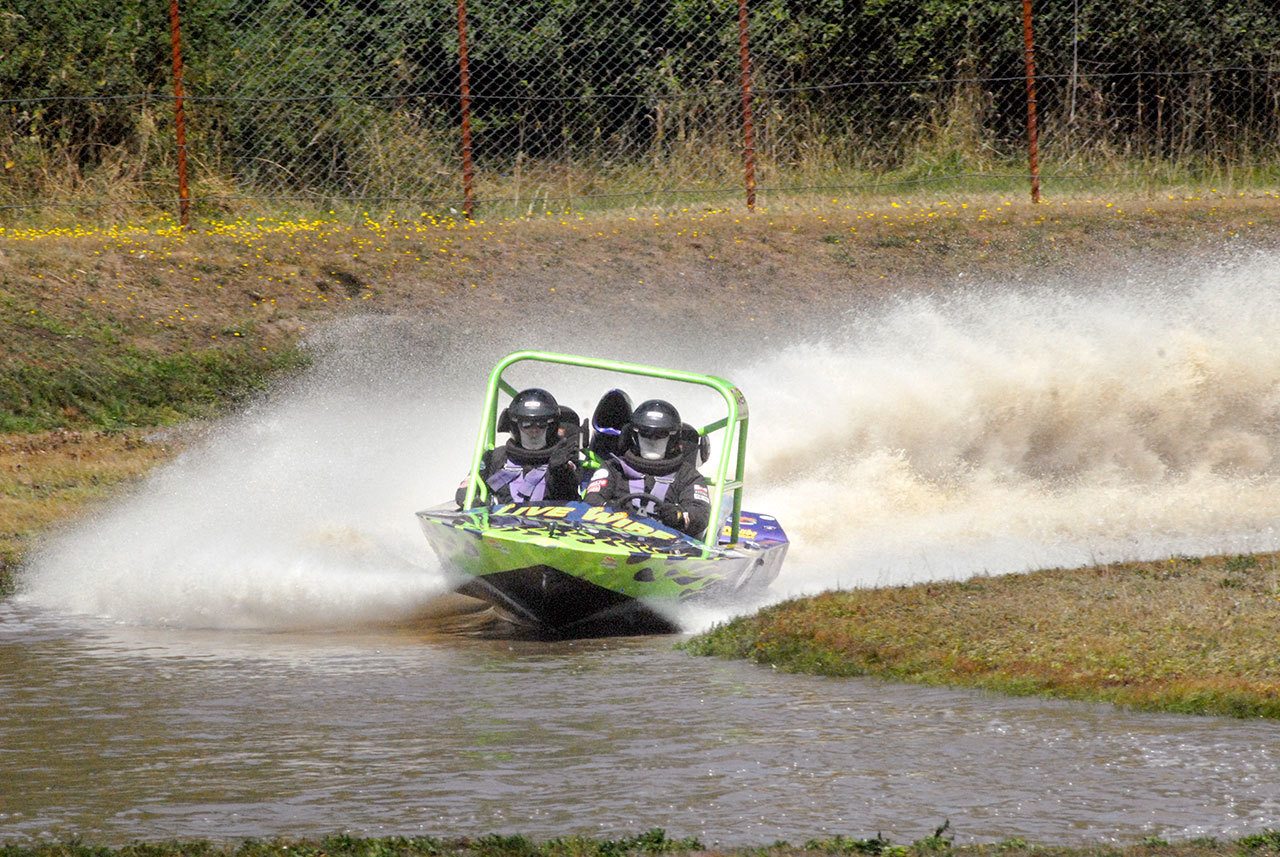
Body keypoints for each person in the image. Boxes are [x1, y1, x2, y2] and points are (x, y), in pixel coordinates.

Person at [582, 398, 711, 536]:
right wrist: (610, 510)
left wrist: (678, 516)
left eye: (660, 435)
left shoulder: (687, 475)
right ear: (634, 436)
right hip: (615, 538)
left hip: (668, 546)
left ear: (673, 438)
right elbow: (592, 500)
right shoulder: (614, 467)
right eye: (645, 433)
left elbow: (700, 513)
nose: (652, 440)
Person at [456, 387, 579, 507]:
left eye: (541, 424)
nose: (534, 431)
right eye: (527, 424)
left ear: (552, 426)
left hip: (551, 522)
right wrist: (471, 502)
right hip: (500, 524)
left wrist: (560, 471)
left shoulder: (563, 457)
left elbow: (570, 496)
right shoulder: (495, 457)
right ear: (515, 426)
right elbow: (466, 487)